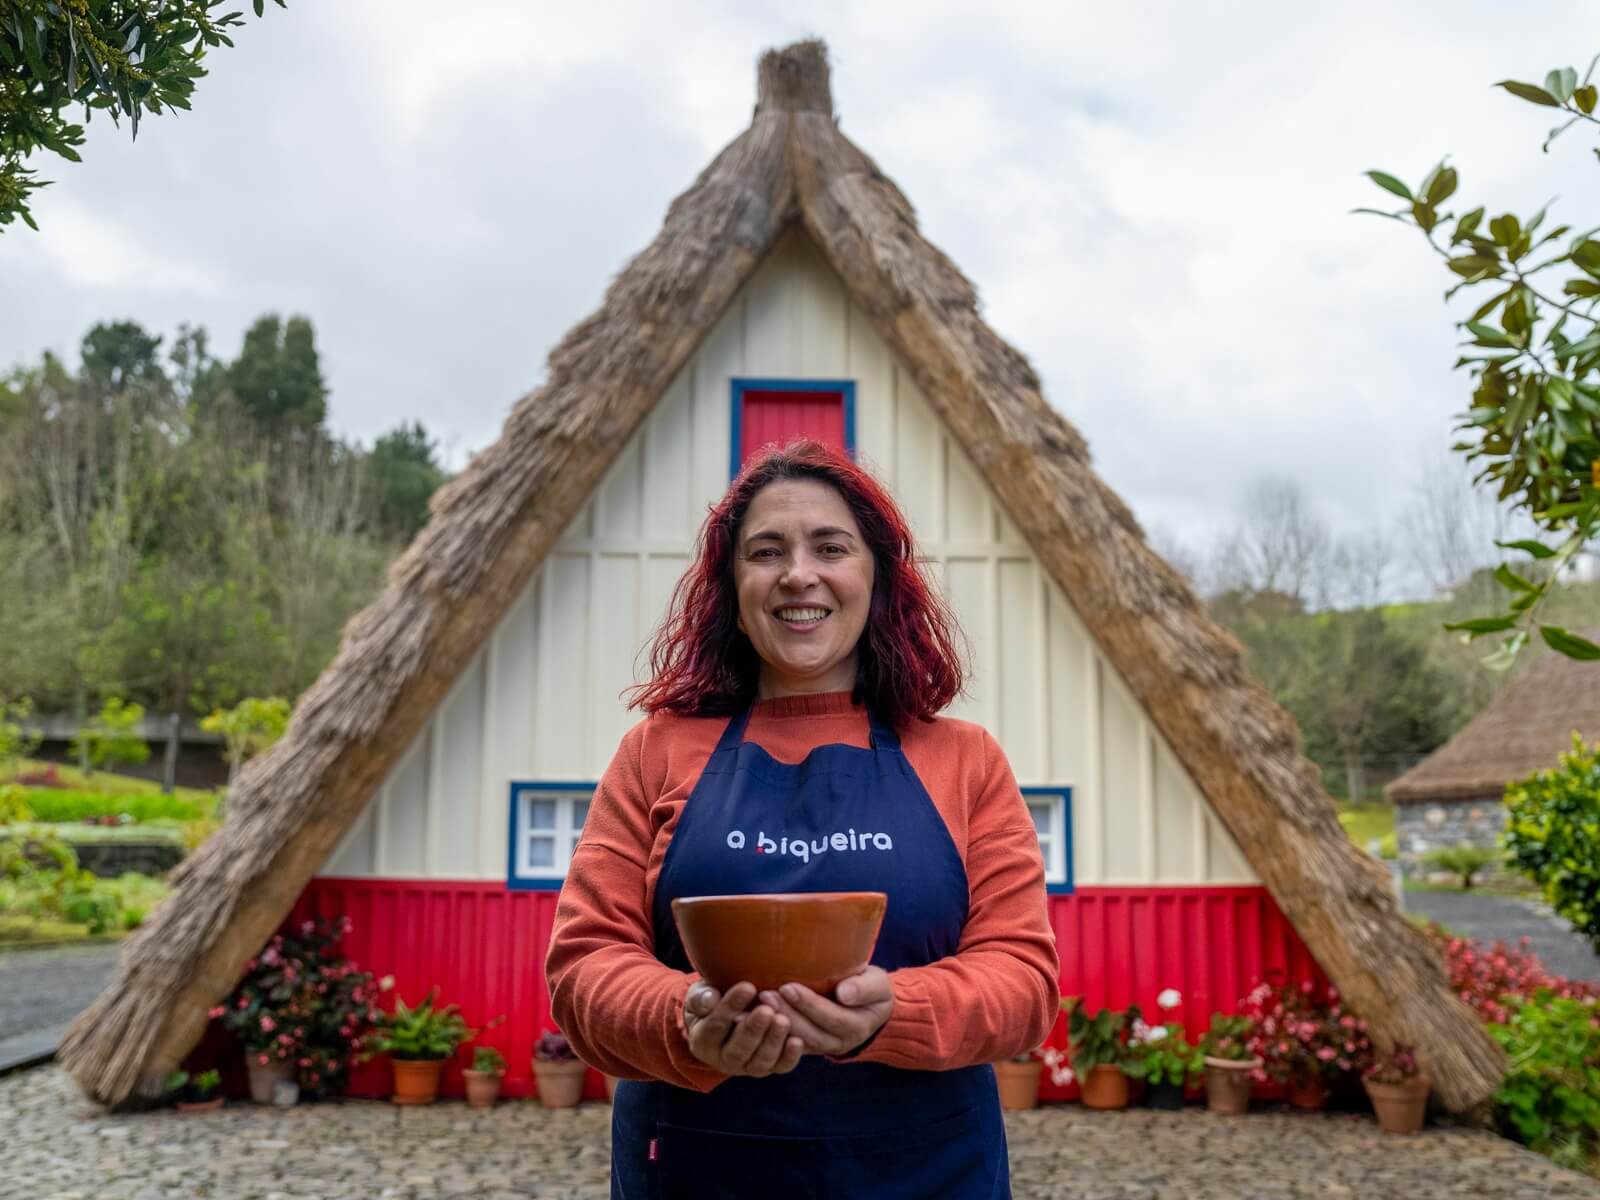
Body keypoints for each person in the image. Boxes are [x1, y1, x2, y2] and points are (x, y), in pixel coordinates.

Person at [546, 439, 1059, 1199]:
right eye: (765, 551)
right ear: (732, 584)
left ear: (877, 575)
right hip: (697, 1166)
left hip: (925, 1171)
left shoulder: (966, 760)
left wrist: (895, 1012)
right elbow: (584, 966)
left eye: (831, 547)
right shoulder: (655, 751)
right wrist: (685, 1020)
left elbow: (1023, 980)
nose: (798, 574)